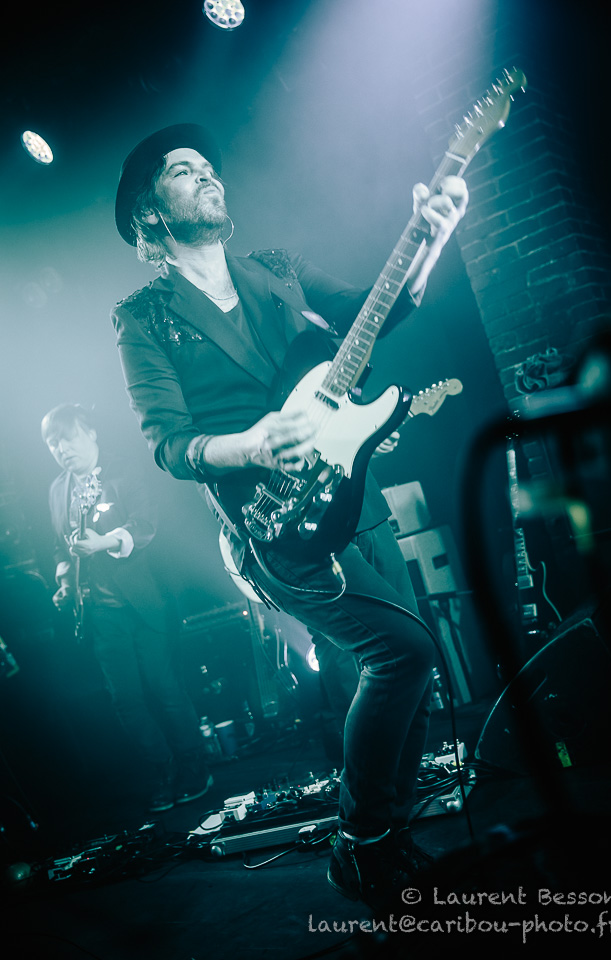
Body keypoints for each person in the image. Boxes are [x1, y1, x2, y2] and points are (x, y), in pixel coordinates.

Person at [111, 124, 468, 908]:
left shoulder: (277, 270)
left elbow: (380, 308)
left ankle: (388, 842)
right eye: (183, 171)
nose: (207, 174)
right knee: (401, 653)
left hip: (354, 494)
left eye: (209, 166)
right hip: (274, 524)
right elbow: (168, 444)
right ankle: (360, 841)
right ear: (151, 213)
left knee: (411, 667)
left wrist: (431, 238)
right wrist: (251, 443)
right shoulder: (143, 316)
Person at [41, 402, 212, 813]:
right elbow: (59, 547)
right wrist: (65, 585)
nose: (62, 448)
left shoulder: (124, 470)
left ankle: (195, 765)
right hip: (99, 612)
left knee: (164, 686)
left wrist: (102, 542)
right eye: (53, 443)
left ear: (91, 433)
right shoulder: (57, 490)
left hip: (144, 601)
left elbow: (146, 525)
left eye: (68, 438)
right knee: (125, 699)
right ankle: (164, 769)